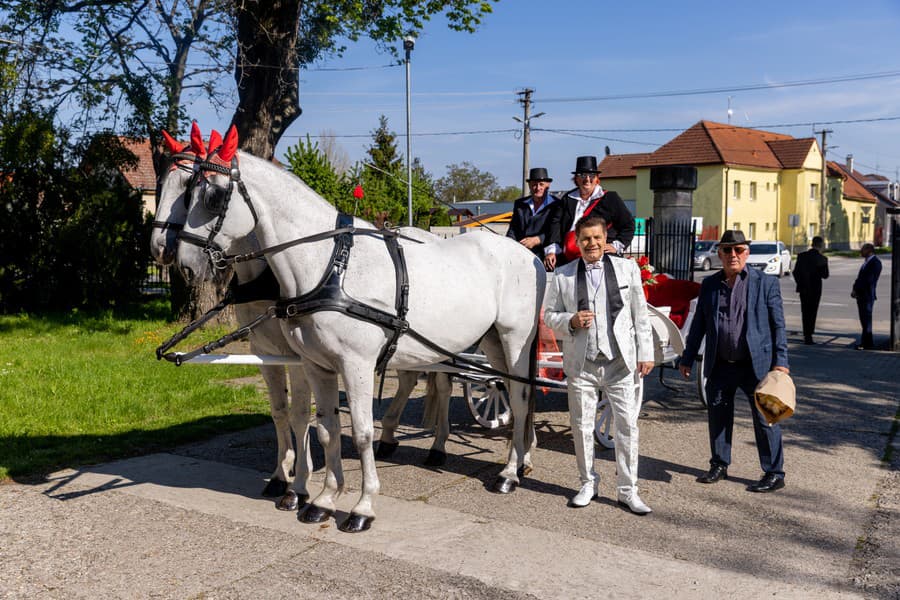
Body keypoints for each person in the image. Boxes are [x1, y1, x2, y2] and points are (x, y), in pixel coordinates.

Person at [543, 215, 654, 514]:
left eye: (596, 238)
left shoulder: (627, 268)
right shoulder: (564, 275)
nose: (592, 243)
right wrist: (570, 320)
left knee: (627, 426)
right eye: (585, 239)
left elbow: (640, 314)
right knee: (581, 426)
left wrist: (646, 352)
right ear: (577, 243)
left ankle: (628, 490)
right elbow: (549, 316)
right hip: (582, 363)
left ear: (606, 239)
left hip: (620, 361)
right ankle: (587, 483)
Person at [678, 230, 789, 493]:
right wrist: (688, 357)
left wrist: (781, 361)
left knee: (766, 419)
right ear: (719, 253)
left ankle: (774, 472)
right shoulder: (710, 284)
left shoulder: (765, 283)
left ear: (747, 252)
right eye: (727, 250)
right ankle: (719, 464)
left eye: (738, 250)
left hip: (756, 365)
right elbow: (699, 325)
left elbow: (778, 325)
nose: (733, 255)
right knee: (718, 415)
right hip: (721, 364)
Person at [545, 155, 635, 270]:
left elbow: (628, 225)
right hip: (569, 255)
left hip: (598, 254)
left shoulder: (610, 198)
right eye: (582, 175)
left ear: (597, 178)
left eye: (591, 175)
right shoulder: (567, 199)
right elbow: (555, 224)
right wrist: (552, 251)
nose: (587, 179)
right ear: (576, 179)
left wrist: (616, 246)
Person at [506, 167, 561, 271]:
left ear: (548, 185)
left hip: (544, 257)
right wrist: (509, 244)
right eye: (534, 184)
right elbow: (513, 229)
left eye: (541, 184)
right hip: (520, 255)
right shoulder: (520, 204)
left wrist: (538, 239)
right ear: (529, 185)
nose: (537, 188)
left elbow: (557, 231)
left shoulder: (557, 205)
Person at [792, 236, 829, 344]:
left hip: (804, 288)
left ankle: (806, 334)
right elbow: (825, 275)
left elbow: (795, 272)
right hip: (816, 289)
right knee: (813, 311)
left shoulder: (802, 256)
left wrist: (800, 282)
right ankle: (809, 335)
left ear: (812, 244)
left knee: (805, 311)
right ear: (821, 245)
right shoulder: (822, 259)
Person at [852, 243, 882, 350]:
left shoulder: (875, 263)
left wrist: (857, 289)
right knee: (864, 320)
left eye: (863, 250)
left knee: (866, 320)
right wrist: (854, 289)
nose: (861, 251)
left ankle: (867, 344)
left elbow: (869, 280)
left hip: (867, 295)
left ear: (869, 250)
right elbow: (859, 278)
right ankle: (866, 342)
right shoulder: (866, 262)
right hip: (861, 295)